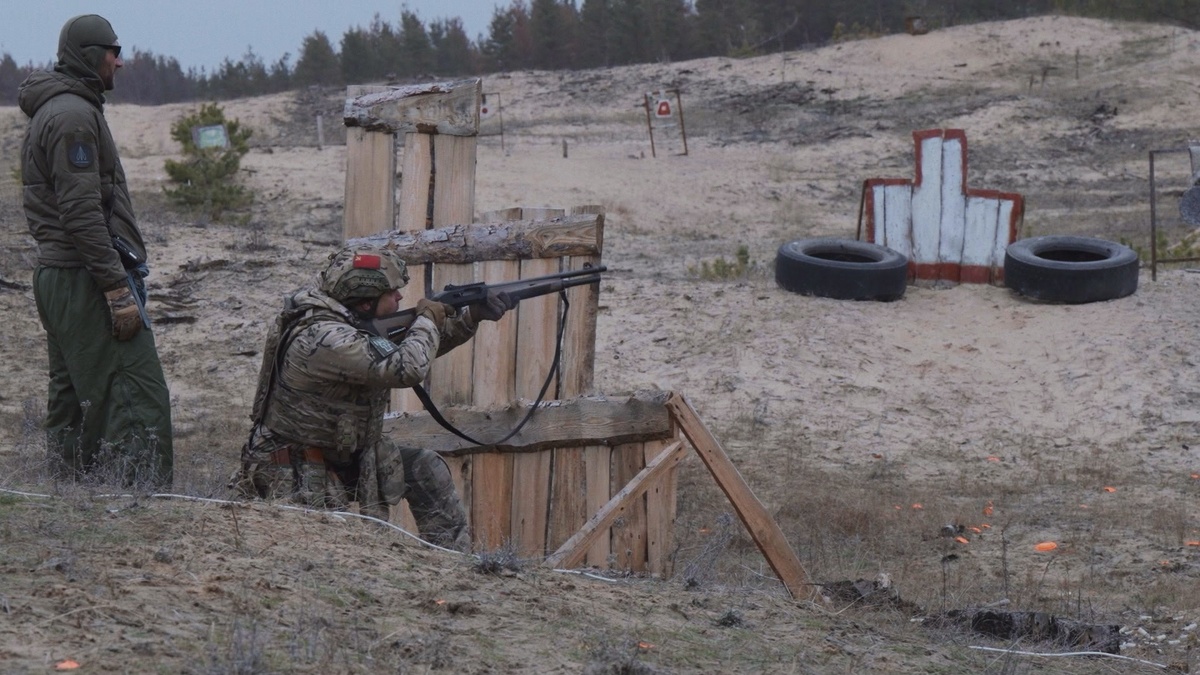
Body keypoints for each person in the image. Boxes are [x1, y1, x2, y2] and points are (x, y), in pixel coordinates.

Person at [233, 245, 511, 551]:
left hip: (340, 455)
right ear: (365, 302)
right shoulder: (325, 338)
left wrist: (470, 317)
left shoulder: (348, 323)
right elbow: (407, 367)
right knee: (325, 551)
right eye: (391, 292)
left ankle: (450, 560)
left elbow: (410, 349)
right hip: (295, 467)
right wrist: (428, 319)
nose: (400, 297)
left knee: (425, 467)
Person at [19, 14, 172, 488]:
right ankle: (141, 502)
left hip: (64, 277)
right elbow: (81, 212)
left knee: (75, 401)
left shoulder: (65, 109)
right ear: (90, 56)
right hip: (85, 278)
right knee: (135, 394)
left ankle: (71, 499)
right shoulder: (72, 117)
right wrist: (115, 287)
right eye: (113, 51)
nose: (119, 62)